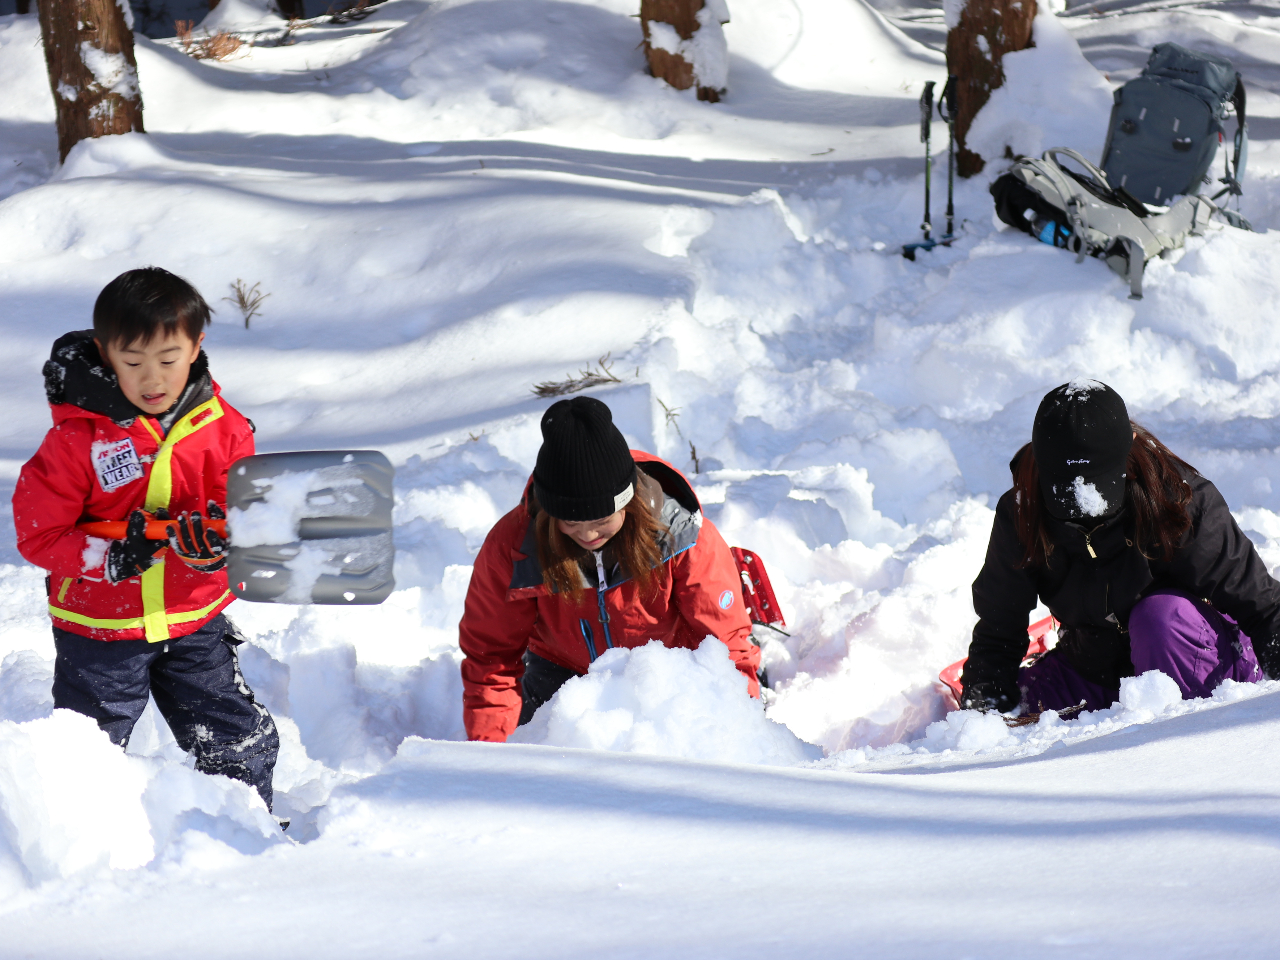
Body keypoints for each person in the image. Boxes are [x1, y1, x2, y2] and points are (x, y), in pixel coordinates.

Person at [13, 267, 279, 811]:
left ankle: (249, 824)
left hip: (194, 618)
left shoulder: (225, 430)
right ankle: (78, 837)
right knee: (86, 748)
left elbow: (245, 517)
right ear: (106, 354)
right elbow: (38, 534)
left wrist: (214, 550)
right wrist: (107, 558)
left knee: (232, 732)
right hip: (100, 631)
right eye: (132, 363)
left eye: (168, 360)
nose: (152, 379)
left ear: (196, 347)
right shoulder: (75, 441)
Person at [961, 380, 1280, 715]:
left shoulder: (1181, 502)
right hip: (1093, 667)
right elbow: (1000, 625)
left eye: (1098, 481)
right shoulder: (1023, 512)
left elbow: (1264, 609)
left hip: (1192, 654)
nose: (1082, 501)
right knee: (1018, 716)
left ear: (1129, 445)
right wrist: (982, 710)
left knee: (1159, 619)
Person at [459, 396, 759, 742]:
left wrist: (745, 727)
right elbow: (490, 658)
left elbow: (726, 646)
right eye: (569, 521)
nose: (586, 535)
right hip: (562, 671)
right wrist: (491, 755)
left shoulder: (682, 535)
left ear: (628, 504)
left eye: (601, 520)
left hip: (670, 669)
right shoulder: (512, 547)